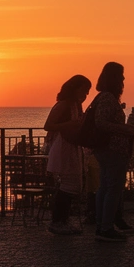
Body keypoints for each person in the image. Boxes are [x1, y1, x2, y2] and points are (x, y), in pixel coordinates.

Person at [87, 62, 134, 242]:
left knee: (105, 186)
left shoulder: (102, 97)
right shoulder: (108, 98)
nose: (124, 79)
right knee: (113, 188)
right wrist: (125, 129)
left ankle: (102, 225)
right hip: (113, 149)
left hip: (105, 149)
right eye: (121, 75)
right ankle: (106, 227)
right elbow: (101, 123)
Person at [44, 74, 92, 235]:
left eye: (87, 92)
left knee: (74, 183)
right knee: (68, 183)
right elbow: (48, 125)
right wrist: (69, 124)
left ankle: (61, 220)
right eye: (83, 91)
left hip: (72, 145)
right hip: (63, 146)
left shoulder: (75, 106)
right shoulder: (63, 105)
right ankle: (58, 221)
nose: (85, 95)